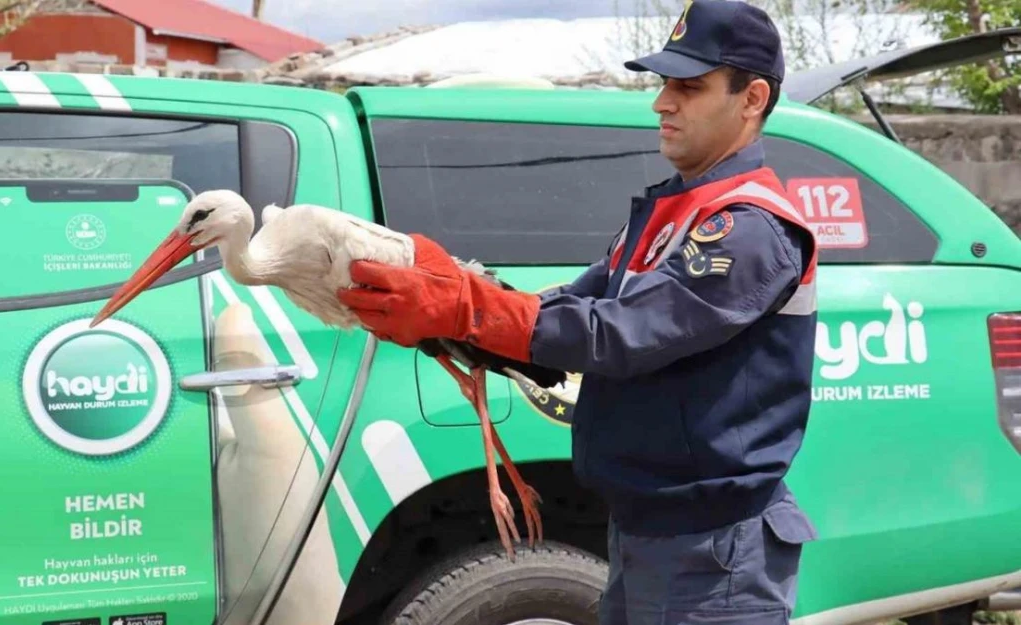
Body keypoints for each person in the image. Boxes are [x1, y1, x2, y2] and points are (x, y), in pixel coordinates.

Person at [337, 0, 820, 622]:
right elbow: (568, 306)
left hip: (713, 545)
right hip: (652, 527)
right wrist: (459, 309)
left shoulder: (750, 225)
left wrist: (467, 311)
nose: (662, 103)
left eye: (689, 87)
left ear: (752, 98)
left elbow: (623, 334)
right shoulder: (675, 210)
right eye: (665, 83)